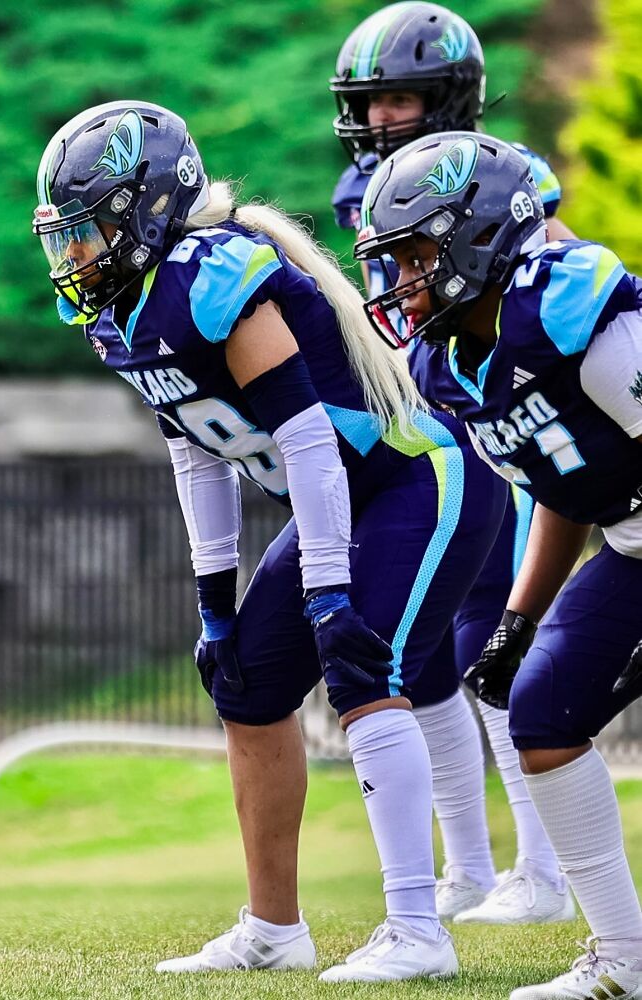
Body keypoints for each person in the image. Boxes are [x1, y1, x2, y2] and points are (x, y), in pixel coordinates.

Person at [32, 100, 507, 983]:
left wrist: (328, 592)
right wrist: (215, 607)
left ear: (141, 214)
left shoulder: (214, 276)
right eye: (66, 238)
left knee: (367, 669)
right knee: (247, 683)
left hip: (415, 475)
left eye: (90, 231)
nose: (75, 255)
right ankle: (274, 927)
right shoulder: (125, 315)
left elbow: (306, 440)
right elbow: (197, 451)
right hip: (347, 496)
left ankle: (417, 927)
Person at [355, 129, 642, 999]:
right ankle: (625, 961)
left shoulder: (569, 304)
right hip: (631, 542)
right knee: (542, 714)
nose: (399, 279)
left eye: (414, 253)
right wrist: (519, 620)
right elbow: (563, 483)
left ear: (477, 234)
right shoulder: (449, 365)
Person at [329, 0, 575, 924]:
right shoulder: (367, 190)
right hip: (427, 435)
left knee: (491, 643)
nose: (378, 116)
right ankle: (471, 868)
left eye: (397, 97)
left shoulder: (505, 183)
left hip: (493, 425)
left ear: (448, 96)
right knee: (426, 652)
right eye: (368, 100)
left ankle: (543, 874)